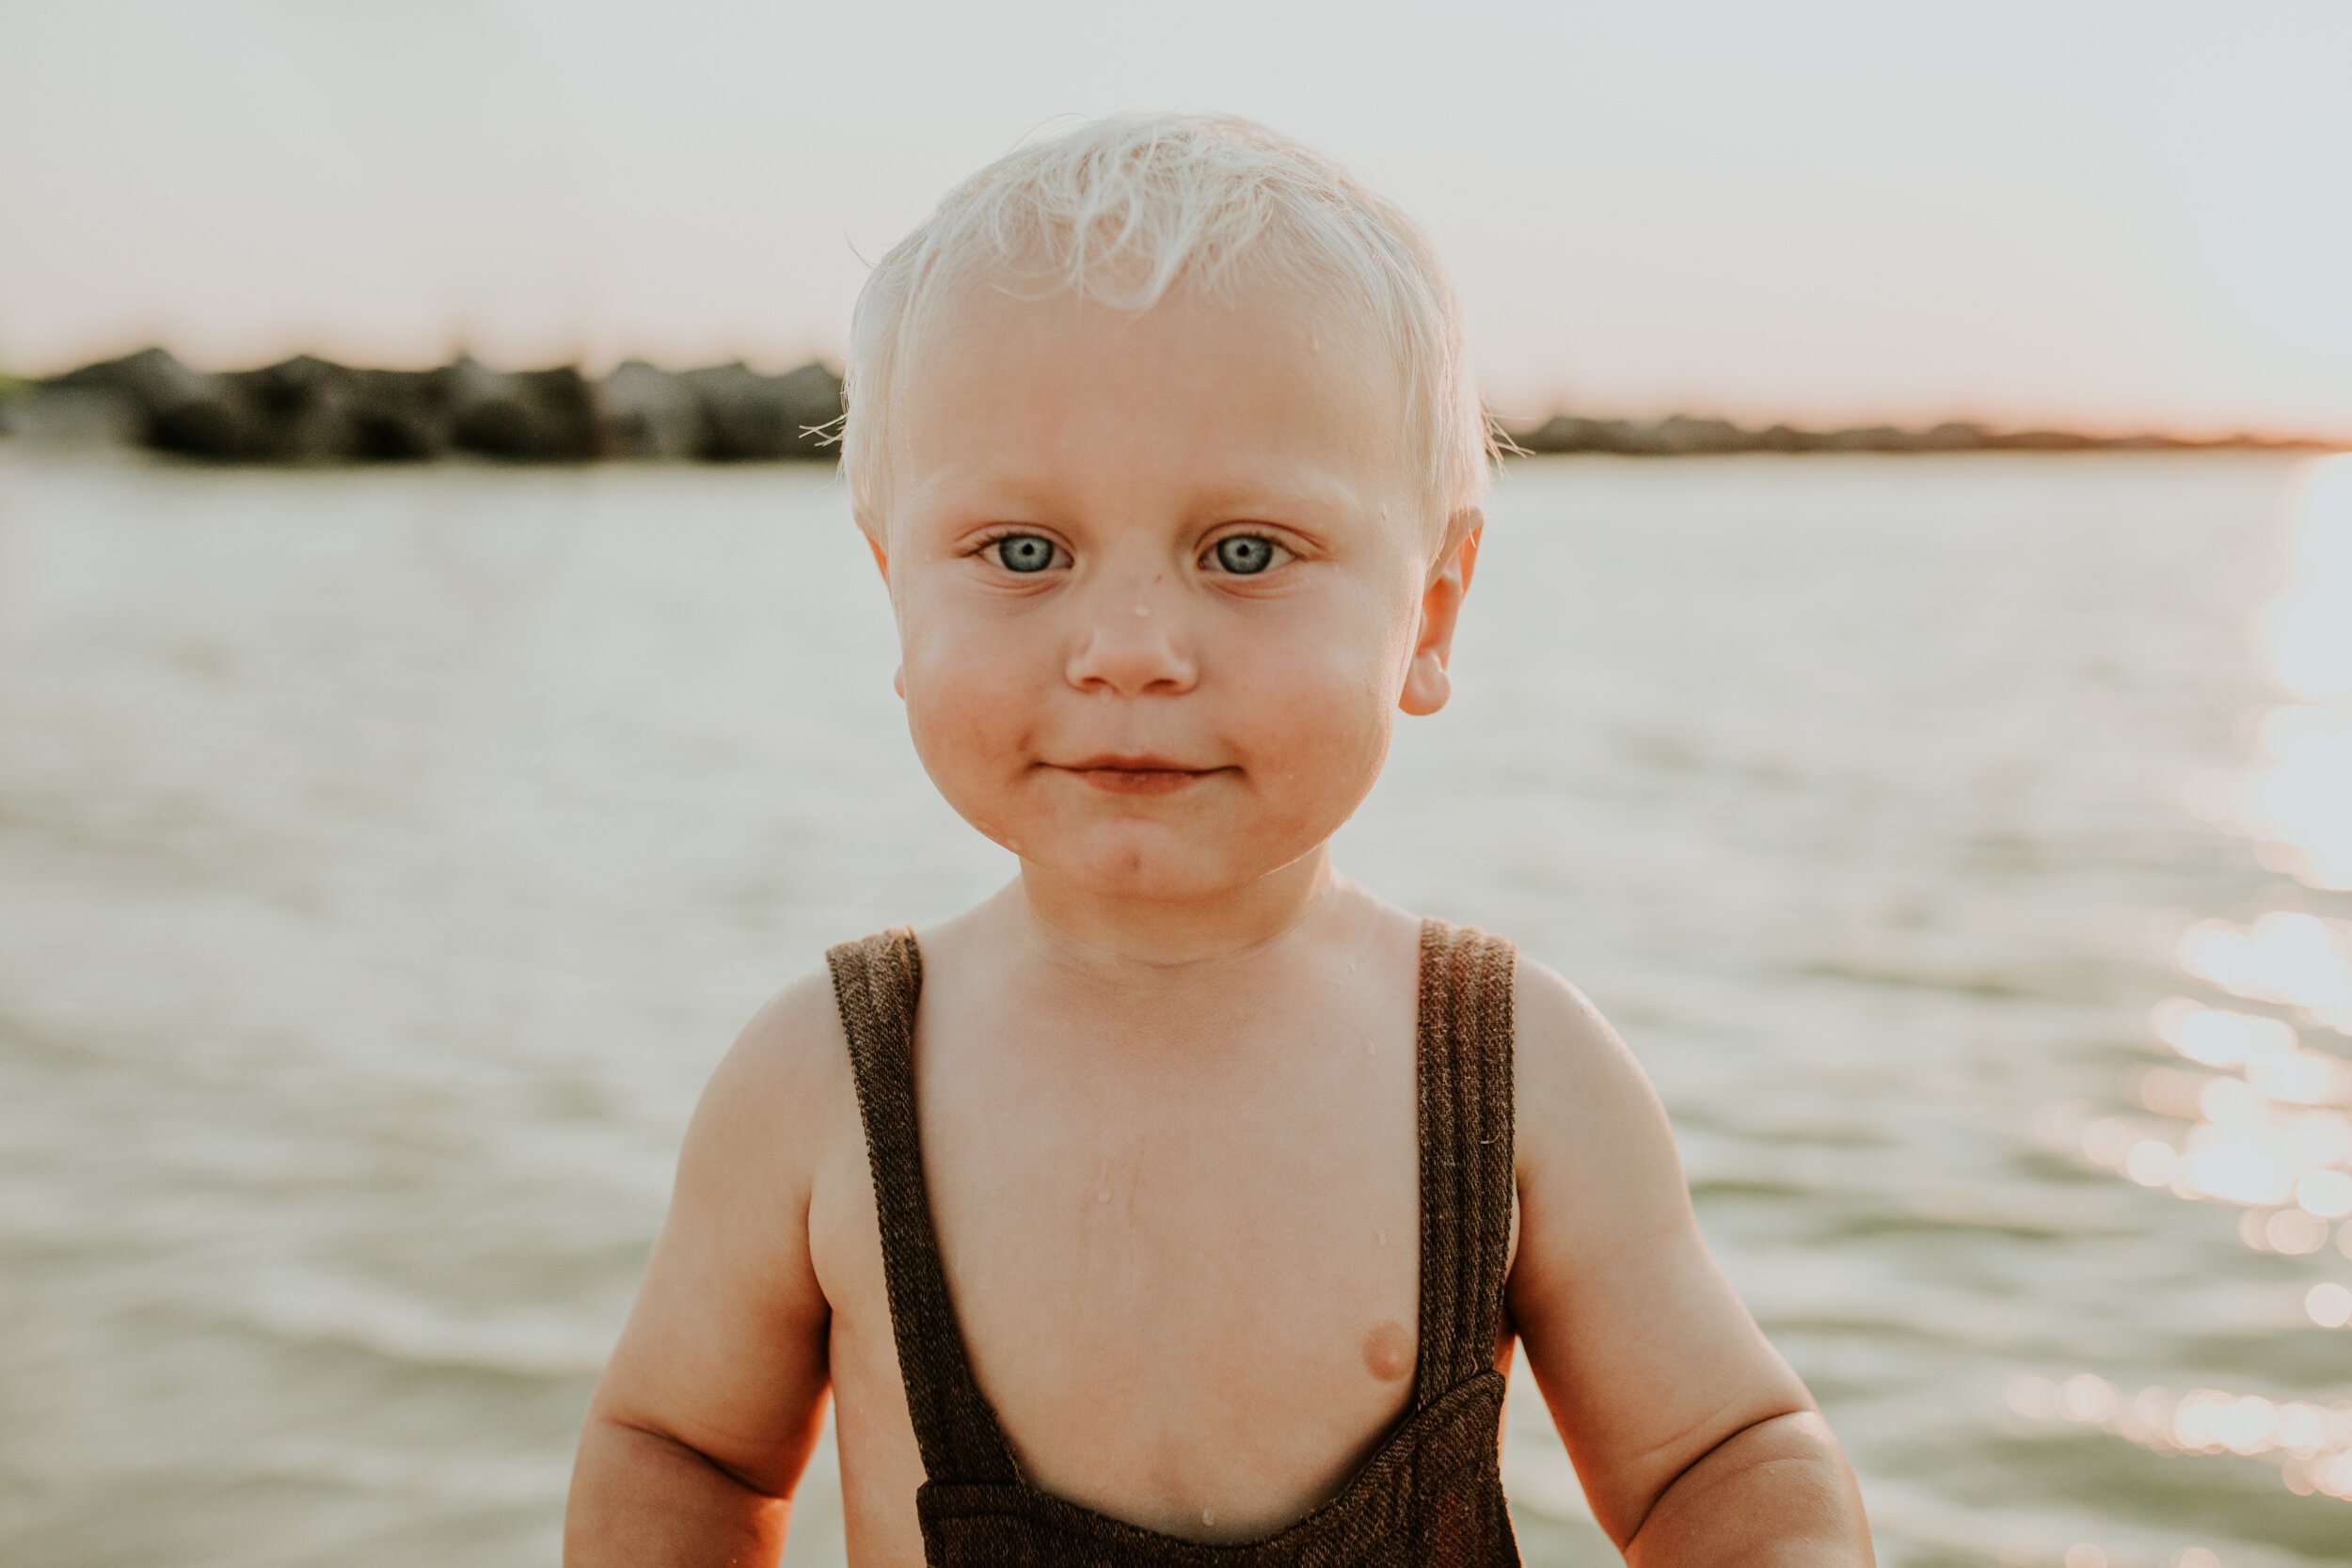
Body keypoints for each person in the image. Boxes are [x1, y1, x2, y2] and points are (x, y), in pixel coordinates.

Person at [564, 111, 1874, 1567]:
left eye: (1243, 553)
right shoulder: (824, 1076)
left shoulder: (1505, 1065)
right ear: (896, 593)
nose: (1129, 652)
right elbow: (679, 1450)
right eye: (1022, 554)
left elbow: (1718, 1452)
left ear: (1429, 614)